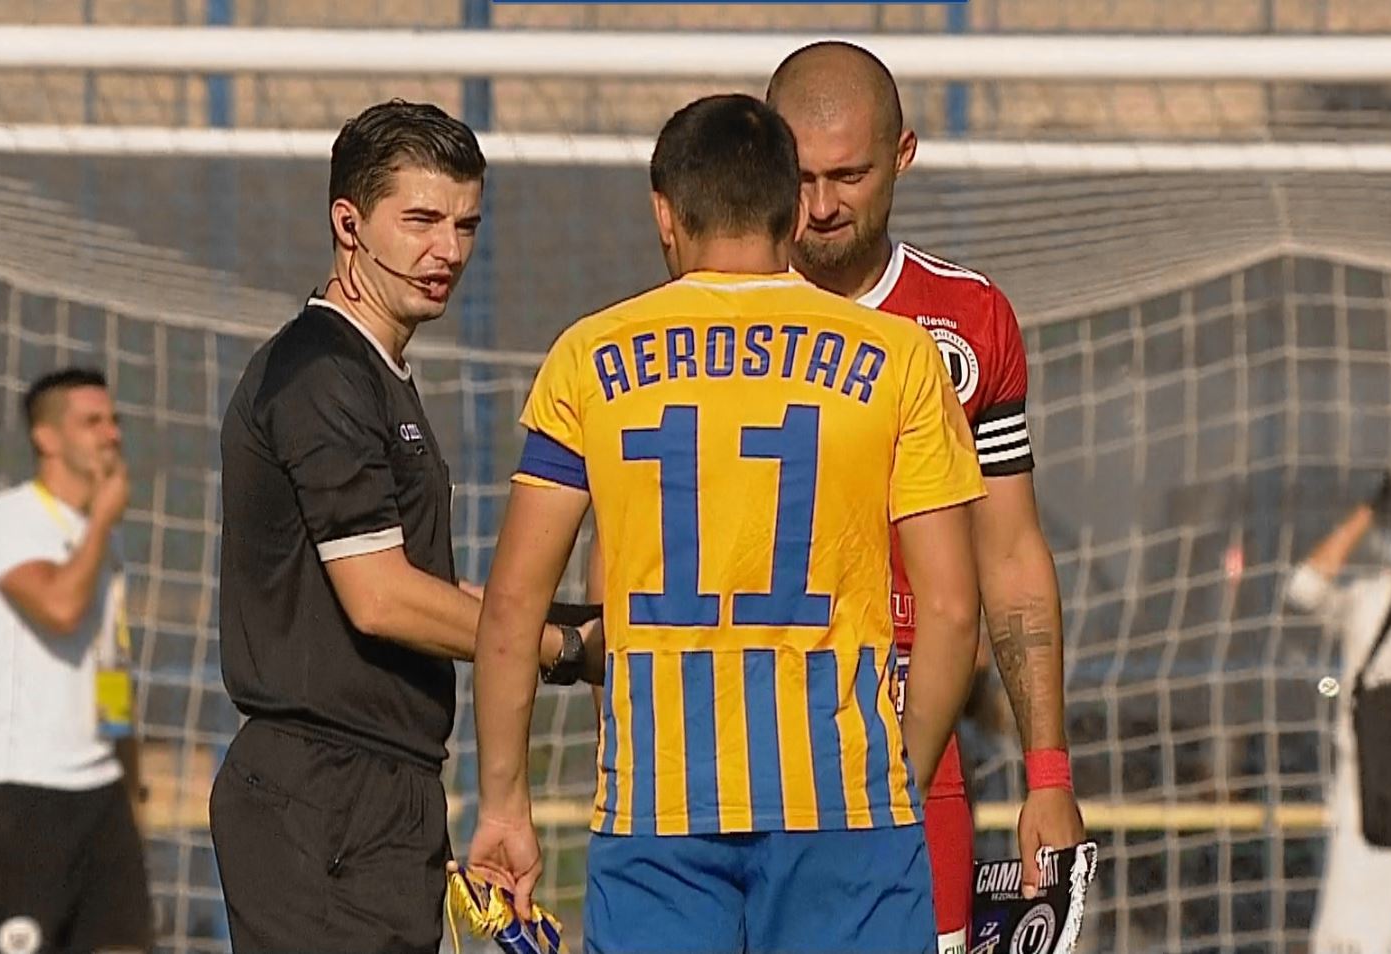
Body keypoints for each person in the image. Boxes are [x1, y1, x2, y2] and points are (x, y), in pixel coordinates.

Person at [466, 93, 984, 954]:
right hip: (843, 802)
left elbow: (515, 603)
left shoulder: (589, 356)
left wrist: (503, 803)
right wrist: (899, 782)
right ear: (793, 209)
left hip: (657, 802)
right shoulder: (899, 358)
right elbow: (954, 612)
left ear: (664, 213)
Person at [211, 99, 587, 953]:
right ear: (348, 222)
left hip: (383, 787)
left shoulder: (379, 376)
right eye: (419, 220)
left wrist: (570, 628)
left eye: (466, 223)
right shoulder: (321, 374)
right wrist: (554, 649)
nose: (447, 250)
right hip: (323, 794)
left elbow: (423, 586)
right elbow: (380, 600)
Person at [764, 40, 1086, 949]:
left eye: (850, 175)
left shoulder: (970, 321)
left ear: (903, 154)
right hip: (736, 743)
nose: (821, 206)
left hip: (912, 749)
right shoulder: (713, 310)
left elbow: (1013, 555)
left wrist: (1048, 773)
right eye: (800, 176)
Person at [0, 367, 152, 954]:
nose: (110, 434)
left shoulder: (104, 541)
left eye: (113, 420)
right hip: (24, 793)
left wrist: (130, 774)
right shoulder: (7, 519)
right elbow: (61, 608)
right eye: (91, 422)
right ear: (46, 438)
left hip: (101, 790)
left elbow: (109, 665)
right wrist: (100, 520)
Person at [1283, 471, 1391, 954]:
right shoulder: (1369, 595)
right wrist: (1368, 510)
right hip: (1365, 789)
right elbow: (1304, 588)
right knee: (1354, 932)